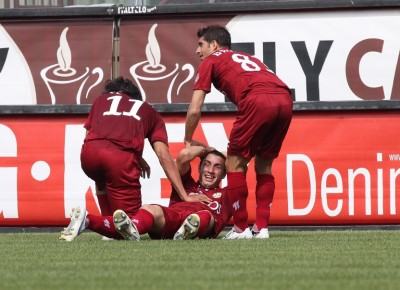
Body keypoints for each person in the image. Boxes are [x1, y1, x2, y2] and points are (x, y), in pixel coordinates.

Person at [61, 77, 209, 240]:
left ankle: (107, 229)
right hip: (119, 160)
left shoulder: (100, 100)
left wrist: (135, 156)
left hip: (89, 155)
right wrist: (184, 195)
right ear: (136, 96)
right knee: (131, 225)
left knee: (101, 178)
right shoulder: (149, 111)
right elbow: (163, 155)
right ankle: (87, 219)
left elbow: (94, 136)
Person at [184, 25, 293, 239]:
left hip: (257, 100)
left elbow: (195, 108)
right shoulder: (244, 57)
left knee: (234, 164)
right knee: (264, 164)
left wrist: (188, 138)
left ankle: (240, 228)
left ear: (214, 45)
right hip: (285, 99)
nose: (198, 51)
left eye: (200, 45)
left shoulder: (211, 60)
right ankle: (261, 228)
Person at [59, 145, 230, 241]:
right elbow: (185, 155)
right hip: (171, 221)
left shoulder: (227, 194)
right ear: (199, 168)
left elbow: (240, 164)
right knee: (151, 208)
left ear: (224, 173)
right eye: (206, 164)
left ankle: (89, 220)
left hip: (204, 223)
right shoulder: (186, 184)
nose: (210, 170)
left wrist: (220, 156)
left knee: (204, 216)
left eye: (217, 167)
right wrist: (207, 150)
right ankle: (132, 227)